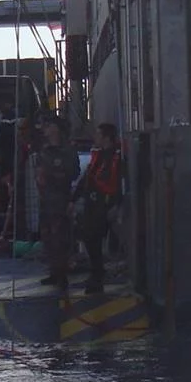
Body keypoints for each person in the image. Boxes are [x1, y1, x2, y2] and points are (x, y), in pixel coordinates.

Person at [32, 114, 80, 289]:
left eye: (49, 126)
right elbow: (38, 172)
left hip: (60, 199)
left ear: (56, 129)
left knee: (61, 238)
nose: (46, 129)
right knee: (47, 237)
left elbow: (73, 173)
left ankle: (62, 274)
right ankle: (53, 271)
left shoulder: (68, 151)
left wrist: (53, 176)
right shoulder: (43, 151)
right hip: (45, 199)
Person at [75, 122, 123, 295]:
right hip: (93, 203)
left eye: (98, 134)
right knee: (89, 238)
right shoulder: (98, 156)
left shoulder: (118, 157)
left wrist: (117, 204)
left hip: (106, 203)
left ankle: (99, 273)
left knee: (97, 238)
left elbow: (119, 182)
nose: (95, 138)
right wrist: (74, 199)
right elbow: (88, 178)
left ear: (107, 138)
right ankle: (97, 271)